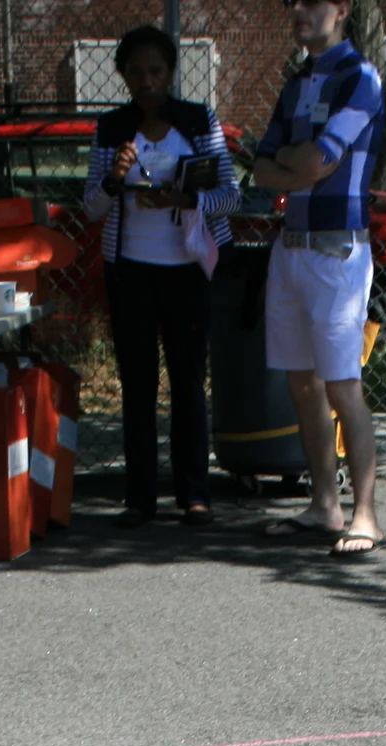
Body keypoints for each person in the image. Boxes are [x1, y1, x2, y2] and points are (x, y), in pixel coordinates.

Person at [83, 25, 239, 529]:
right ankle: (140, 497)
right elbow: (91, 208)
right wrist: (115, 177)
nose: (147, 81)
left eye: (156, 71)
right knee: (137, 384)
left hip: (187, 270)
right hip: (130, 271)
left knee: (189, 381)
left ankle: (195, 494)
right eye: (136, 72)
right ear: (123, 76)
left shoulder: (196, 121)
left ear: (170, 73)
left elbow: (230, 195)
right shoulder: (111, 129)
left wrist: (184, 199)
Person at [249, 0, 385, 557]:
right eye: (294, 3)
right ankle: (324, 506)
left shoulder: (361, 77)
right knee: (300, 384)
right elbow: (262, 168)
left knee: (341, 385)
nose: (300, 11)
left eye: (313, 2)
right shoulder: (297, 80)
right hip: (291, 246)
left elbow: (320, 161)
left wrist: (294, 162)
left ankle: (366, 515)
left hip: (338, 249)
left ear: (343, 9)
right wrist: (295, 161)